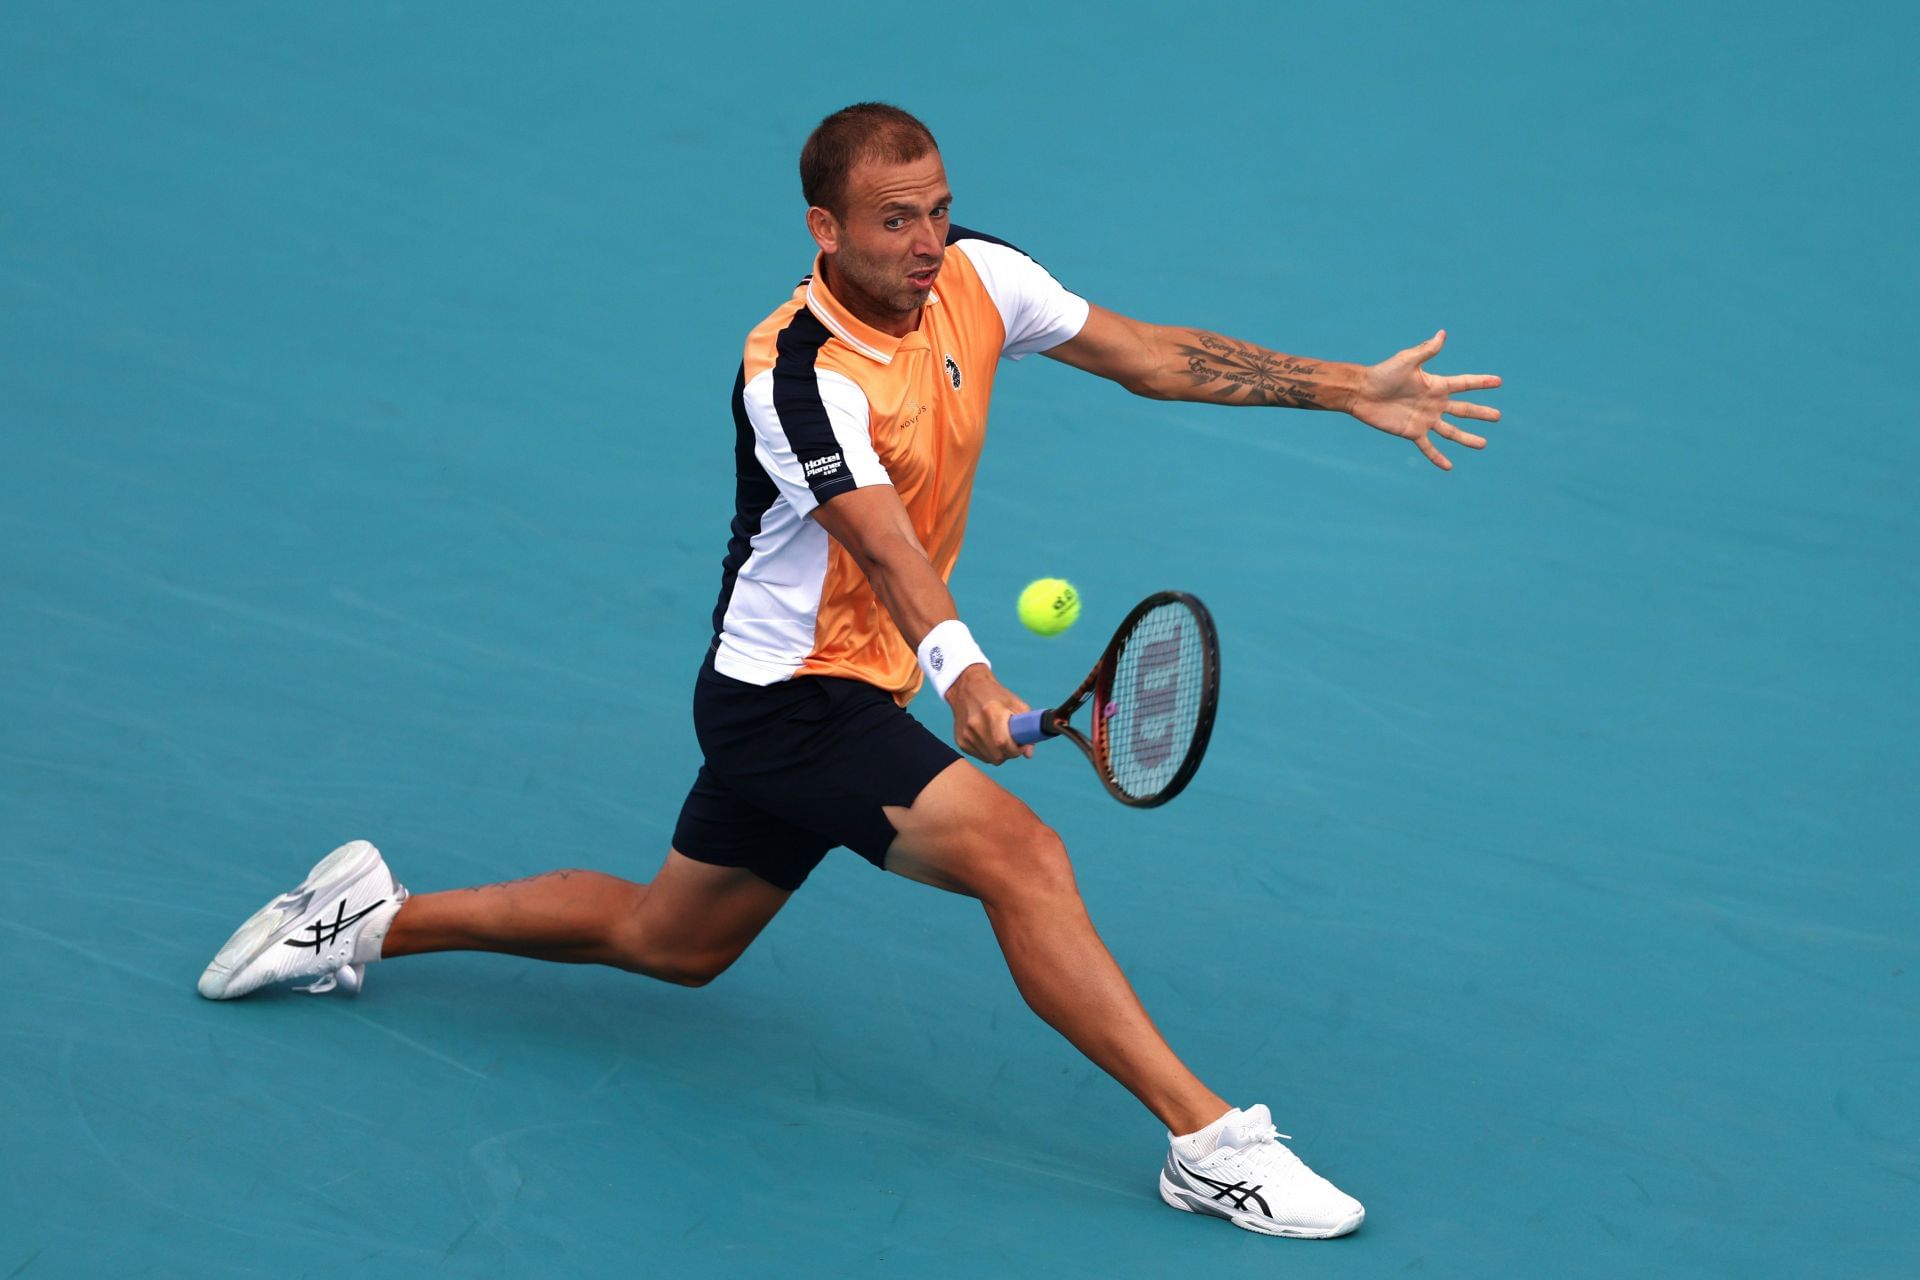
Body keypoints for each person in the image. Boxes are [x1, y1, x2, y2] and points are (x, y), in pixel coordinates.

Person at [198, 103, 1501, 1240]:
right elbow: (875, 537)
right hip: (789, 701)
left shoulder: (982, 277)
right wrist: (967, 672)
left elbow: (1146, 354)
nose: (927, 240)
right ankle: (1210, 1145)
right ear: (825, 227)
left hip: (844, 691)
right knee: (1022, 856)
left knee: (671, 942)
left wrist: (1345, 389)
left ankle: (366, 914)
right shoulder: (797, 373)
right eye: (894, 221)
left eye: (937, 211)